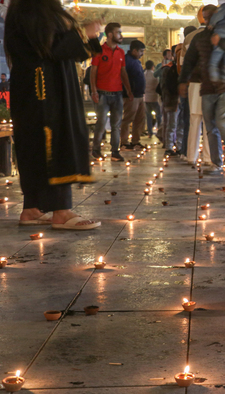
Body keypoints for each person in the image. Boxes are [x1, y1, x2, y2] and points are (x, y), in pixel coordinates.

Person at [5, 0, 101, 230]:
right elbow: (50, 49)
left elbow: (65, 49)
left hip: (43, 88)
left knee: (35, 144)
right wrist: (81, 32)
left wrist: (84, 34)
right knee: (53, 141)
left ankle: (32, 209)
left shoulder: (30, 8)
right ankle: (61, 211)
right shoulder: (32, 8)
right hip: (44, 91)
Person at [179, 5, 225, 173]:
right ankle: (217, 163)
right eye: (205, 18)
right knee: (210, 126)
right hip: (208, 86)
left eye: (210, 17)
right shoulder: (199, 38)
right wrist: (183, 81)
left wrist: (221, 42)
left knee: (222, 121)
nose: (208, 20)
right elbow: (189, 61)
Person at [90, 22, 133, 161]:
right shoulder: (99, 50)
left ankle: (115, 151)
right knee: (101, 122)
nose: (121, 35)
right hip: (102, 93)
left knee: (116, 125)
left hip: (117, 93)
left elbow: (123, 71)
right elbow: (93, 71)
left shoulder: (121, 52)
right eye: (118, 32)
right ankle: (96, 149)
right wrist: (94, 90)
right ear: (109, 34)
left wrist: (128, 89)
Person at [184, 7, 213, 166]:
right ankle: (208, 158)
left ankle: (191, 156)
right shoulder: (216, 36)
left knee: (194, 120)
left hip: (194, 84)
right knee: (209, 121)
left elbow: (183, 64)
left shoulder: (189, 37)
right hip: (210, 84)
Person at [121, 40, 146, 150]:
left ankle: (135, 141)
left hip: (139, 95)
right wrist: (129, 91)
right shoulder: (127, 60)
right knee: (128, 118)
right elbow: (124, 76)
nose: (142, 54)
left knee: (140, 119)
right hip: (131, 95)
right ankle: (124, 142)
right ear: (134, 50)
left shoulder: (136, 61)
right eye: (141, 51)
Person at [177, 25, 198, 160]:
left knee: (187, 121)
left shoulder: (181, 49)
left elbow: (181, 68)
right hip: (193, 85)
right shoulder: (184, 49)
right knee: (191, 120)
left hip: (186, 86)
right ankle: (186, 151)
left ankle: (186, 151)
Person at [161, 45, 180, 157]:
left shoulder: (181, 67)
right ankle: (169, 147)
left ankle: (179, 146)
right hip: (172, 100)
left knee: (179, 125)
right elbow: (165, 87)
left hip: (179, 100)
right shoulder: (168, 69)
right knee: (171, 124)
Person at [144, 60, 162, 138]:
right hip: (154, 98)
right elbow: (158, 85)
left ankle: (150, 132)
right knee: (159, 115)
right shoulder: (154, 75)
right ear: (152, 67)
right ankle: (159, 130)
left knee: (148, 116)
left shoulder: (143, 74)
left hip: (146, 98)